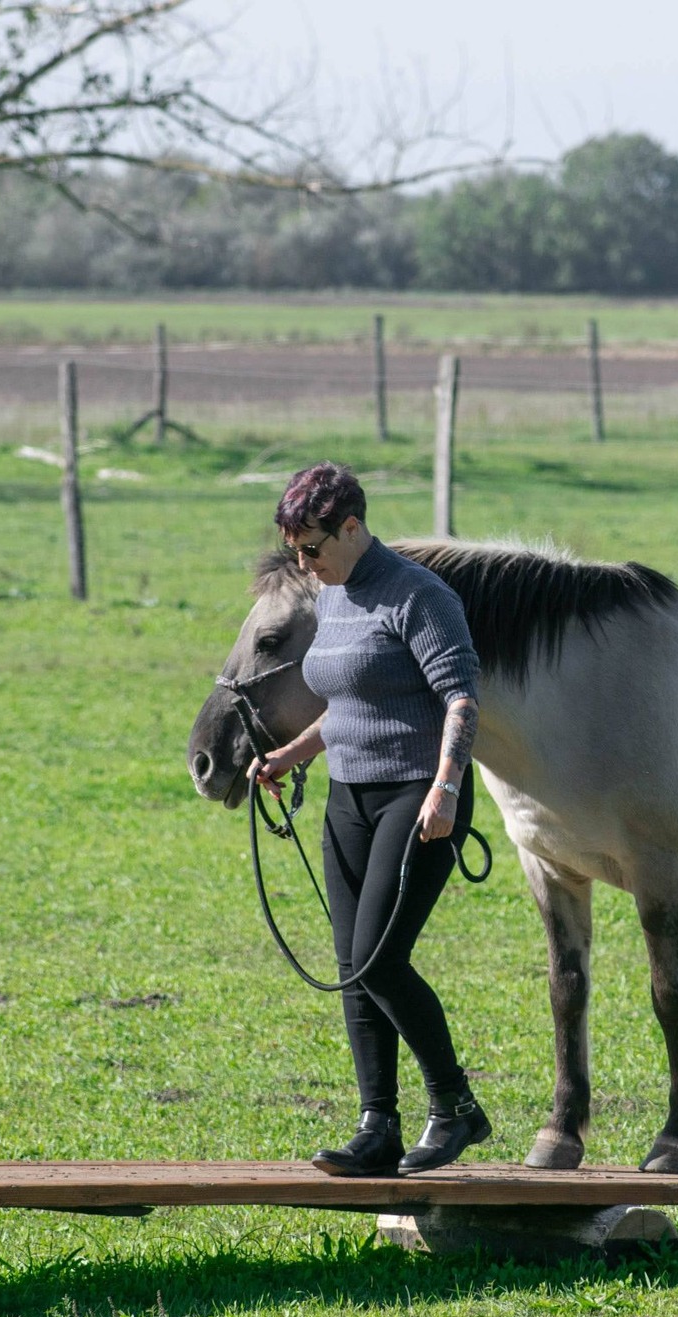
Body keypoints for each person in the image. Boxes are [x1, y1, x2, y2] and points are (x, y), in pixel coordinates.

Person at [251, 462, 491, 1177]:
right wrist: (292, 753)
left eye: (313, 546)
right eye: (296, 549)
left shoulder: (420, 596)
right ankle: (376, 1123)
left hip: (418, 797)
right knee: (353, 966)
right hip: (348, 796)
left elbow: (462, 698)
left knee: (381, 959)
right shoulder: (336, 593)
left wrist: (446, 787)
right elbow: (351, 702)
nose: (304, 561)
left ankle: (455, 1107)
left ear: (351, 527)